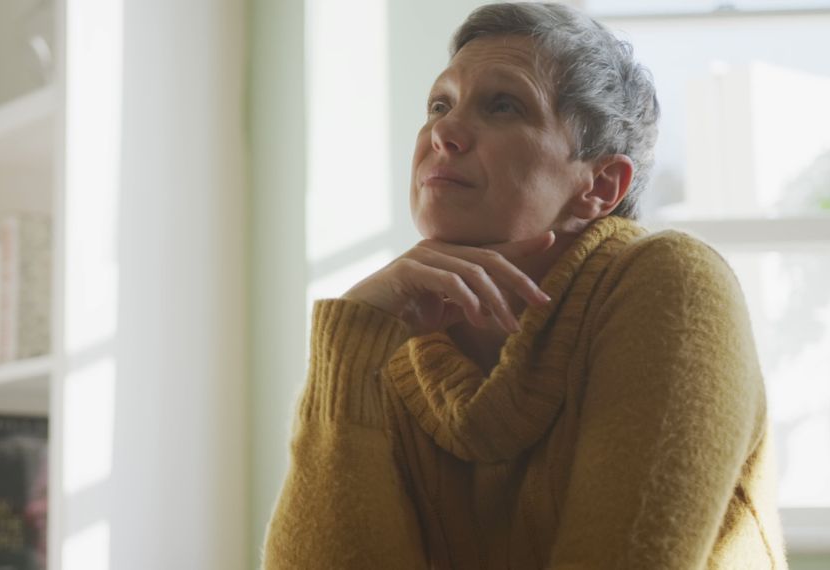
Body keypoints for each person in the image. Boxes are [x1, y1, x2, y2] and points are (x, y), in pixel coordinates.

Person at [262, 3, 788, 569]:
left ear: (601, 184)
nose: (443, 131)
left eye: (503, 105)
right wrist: (347, 350)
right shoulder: (390, 345)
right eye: (439, 104)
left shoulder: (672, 284)